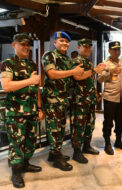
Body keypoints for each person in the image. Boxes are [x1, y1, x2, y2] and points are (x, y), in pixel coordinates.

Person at [1, 33, 43, 188]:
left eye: (28, 44)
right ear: (14, 45)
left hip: (31, 110)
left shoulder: (31, 64)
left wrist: (39, 107)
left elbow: (36, 87)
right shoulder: (8, 63)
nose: (26, 47)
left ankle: (26, 164)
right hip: (16, 112)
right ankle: (16, 172)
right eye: (22, 44)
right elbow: (6, 86)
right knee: (17, 143)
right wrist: (30, 80)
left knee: (30, 140)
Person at [42, 31, 84, 171]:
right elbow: (52, 74)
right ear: (55, 43)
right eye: (61, 41)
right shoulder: (49, 56)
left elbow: (73, 77)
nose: (65, 43)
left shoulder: (66, 59)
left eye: (67, 41)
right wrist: (72, 72)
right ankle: (57, 157)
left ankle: (53, 154)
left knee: (60, 129)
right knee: (54, 129)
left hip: (63, 100)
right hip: (52, 100)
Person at [71, 38, 104, 163]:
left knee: (89, 124)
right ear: (79, 47)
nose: (87, 49)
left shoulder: (88, 62)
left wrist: (95, 93)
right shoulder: (77, 61)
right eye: (85, 47)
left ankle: (86, 146)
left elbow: (90, 80)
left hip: (89, 99)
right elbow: (77, 76)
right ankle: (77, 151)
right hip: (80, 100)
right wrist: (94, 70)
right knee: (79, 125)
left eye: (89, 47)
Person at [97, 41, 122, 155]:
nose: (117, 52)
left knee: (120, 121)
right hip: (110, 98)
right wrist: (111, 72)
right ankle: (107, 143)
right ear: (109, 51)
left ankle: (118, 141)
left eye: (118, 49)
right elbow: (99, 79)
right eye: (114, 49)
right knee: (108, 122)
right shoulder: (104, 64)